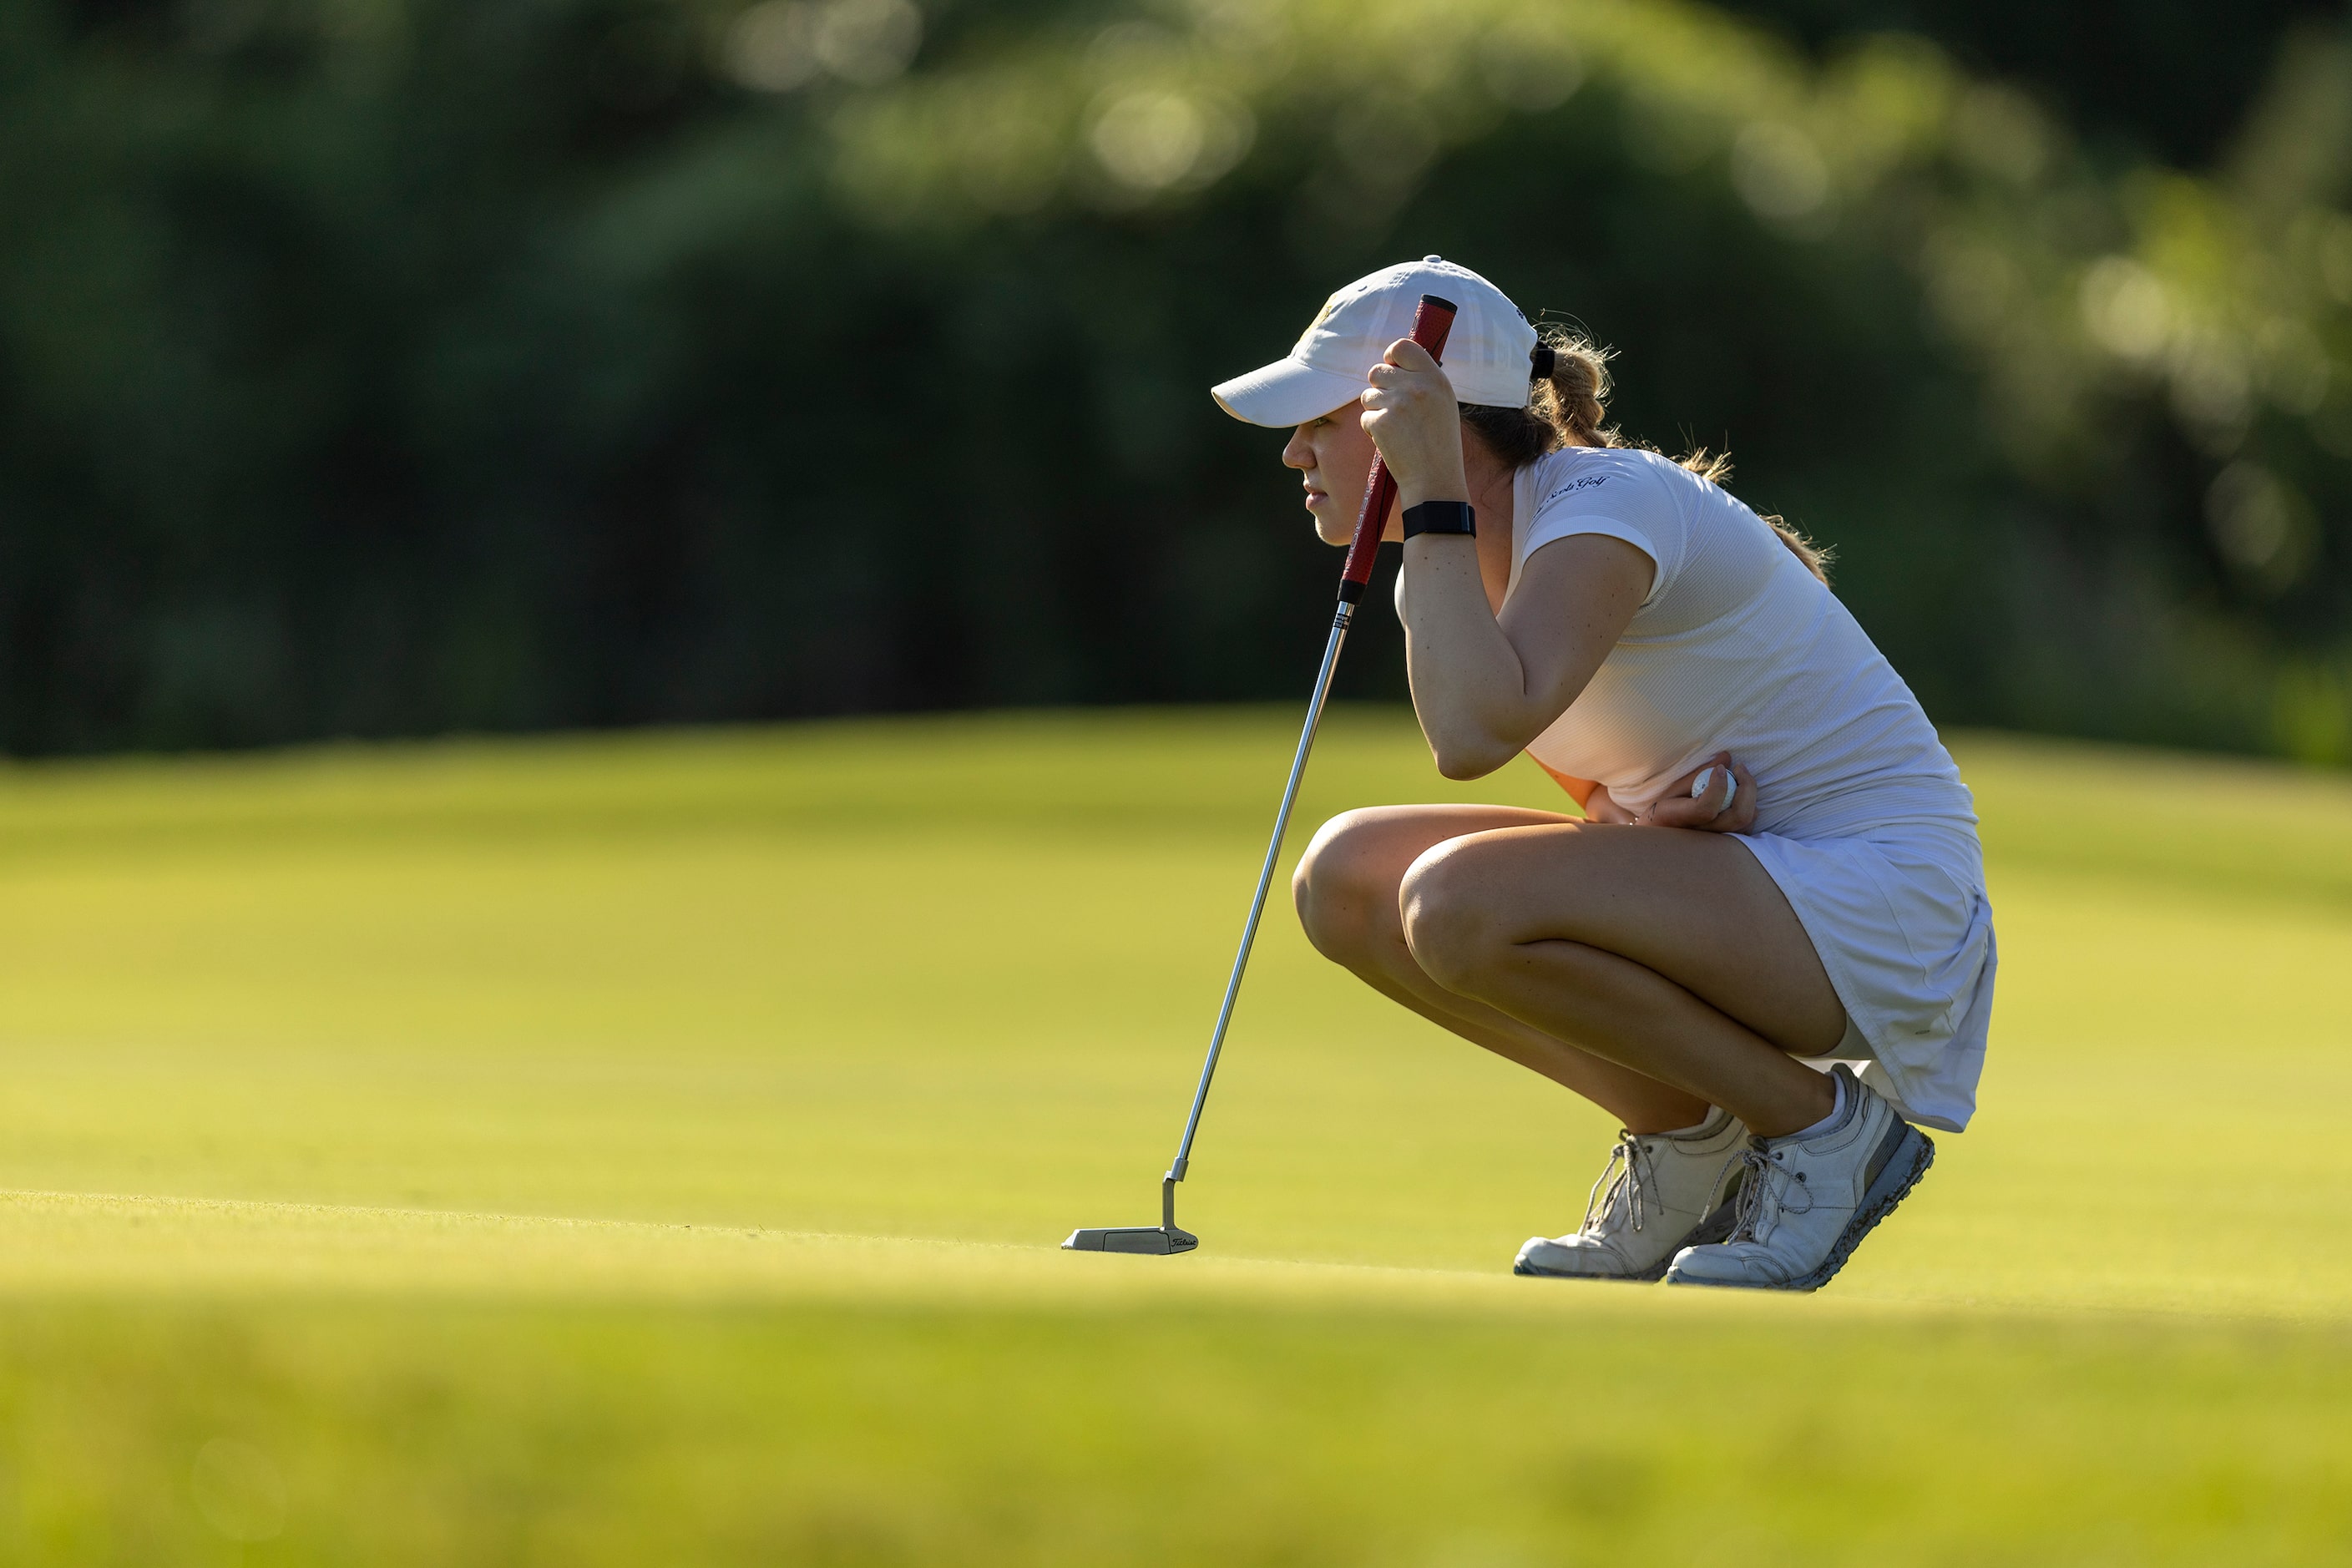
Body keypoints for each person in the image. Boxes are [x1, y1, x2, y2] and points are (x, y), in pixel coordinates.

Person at [1208, 257, 1995, 1291]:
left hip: (1885, 905)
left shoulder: (1604, 505)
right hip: (1750, 893)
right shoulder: (1440, 574)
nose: (1295, 450)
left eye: (1324, 416)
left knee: (1454, 904)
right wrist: (1642, 818)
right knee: (1344, 879)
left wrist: (1434, 489)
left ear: (1424, 413)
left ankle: (1822, 1130)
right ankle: (1685, 1138)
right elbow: (1593, 792)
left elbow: (1469, 738)